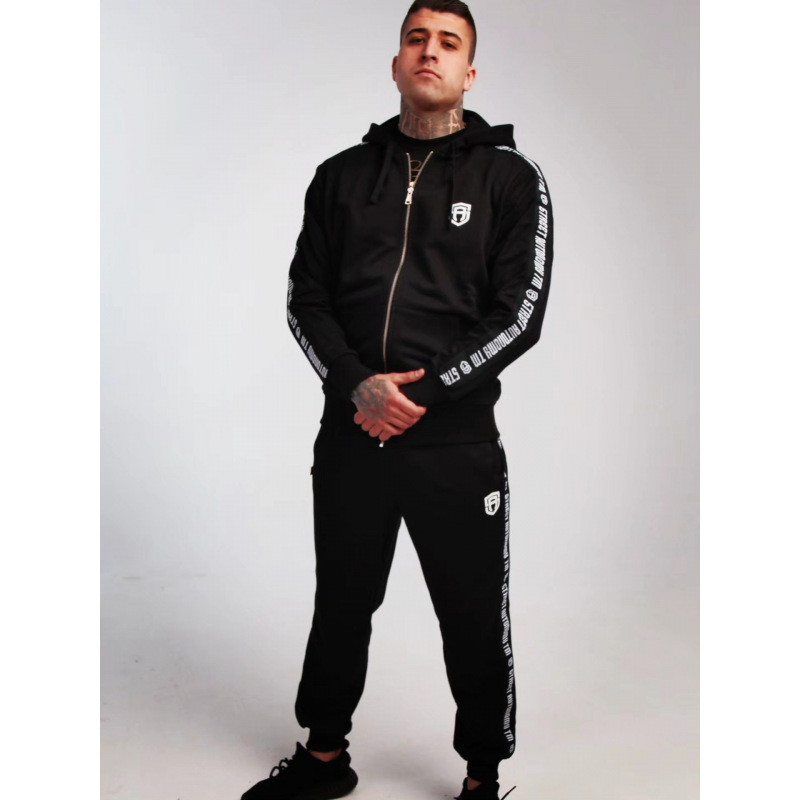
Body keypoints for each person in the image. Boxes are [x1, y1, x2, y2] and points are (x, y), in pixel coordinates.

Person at [241, 1, 553, 798]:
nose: (429, 52)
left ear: (469, 72)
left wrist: (428, 393)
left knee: (472, 613)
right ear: (396, 62)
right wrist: (359, 386)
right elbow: (305, 300)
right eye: (416, 38)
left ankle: (481, 777)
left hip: (455, 445)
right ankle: (324, 758)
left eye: (448, 43)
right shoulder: (341, 177)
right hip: (352, 432)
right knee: (342, 602)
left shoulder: (510, 179)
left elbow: (519, 314)